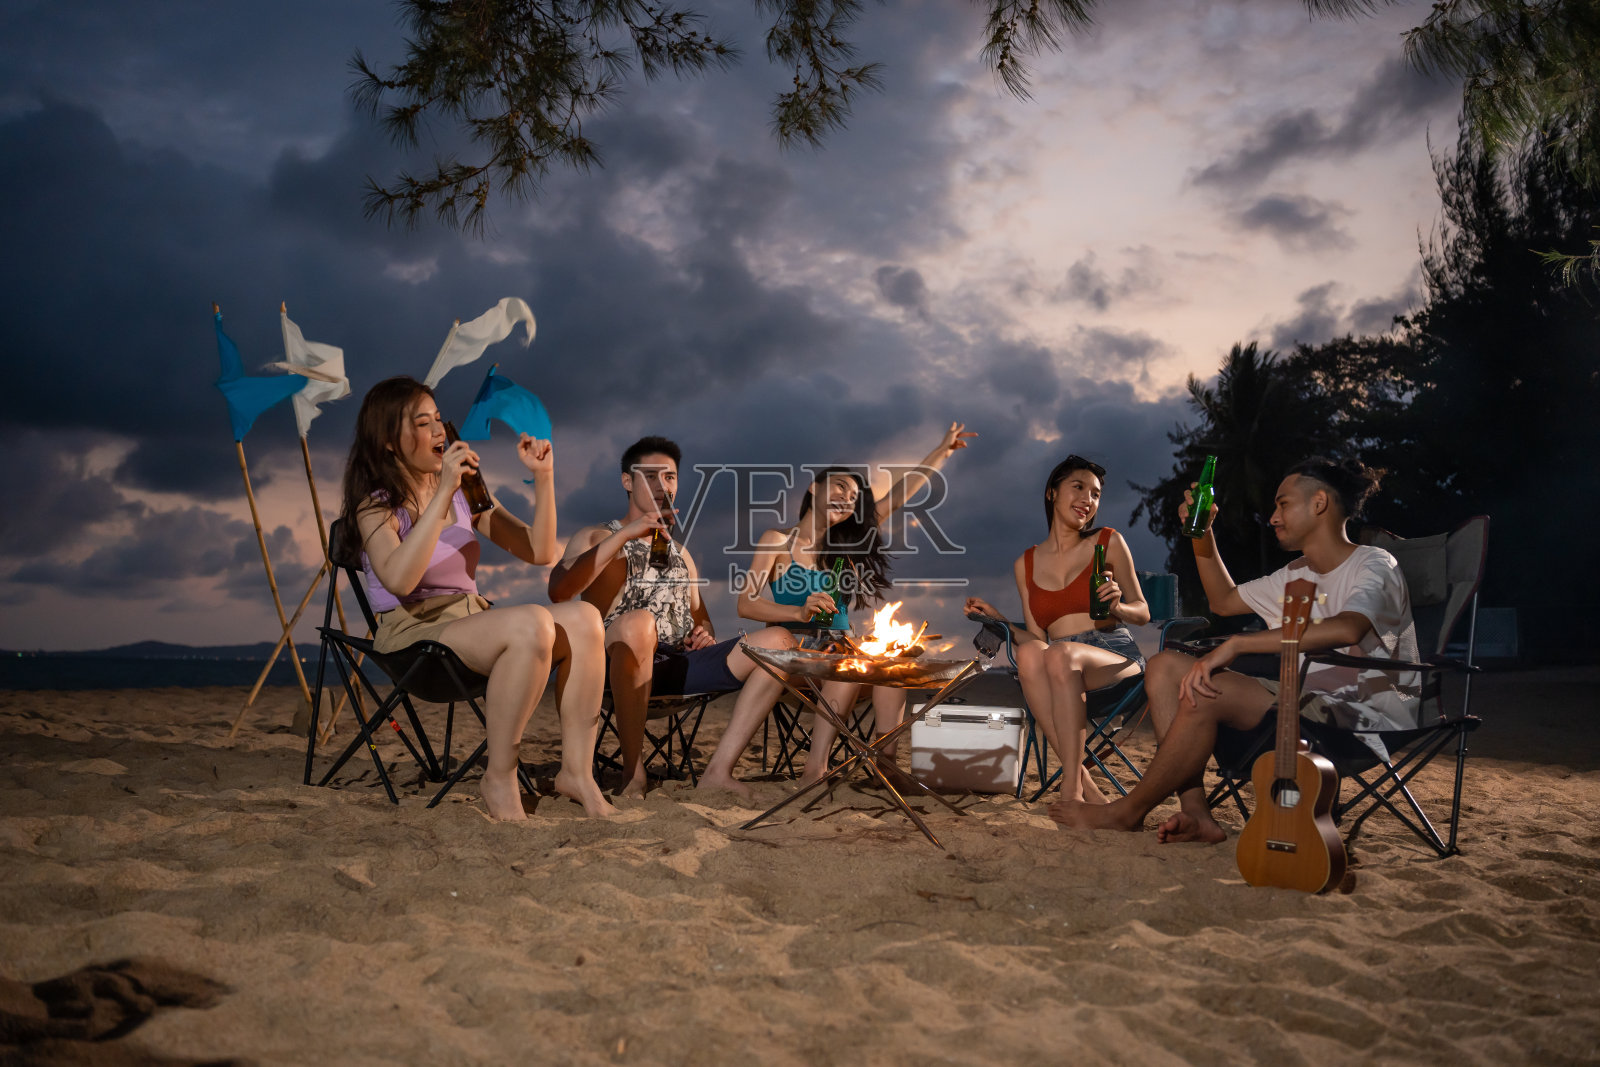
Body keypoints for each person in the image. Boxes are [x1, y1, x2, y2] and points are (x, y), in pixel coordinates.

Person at [1050, 456, 1419, 842]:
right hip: (1303, 702)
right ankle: (1195, 813)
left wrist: (1238, 643)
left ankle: (1126, 811)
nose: (1273, 517)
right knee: (1164, 667)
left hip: (1367, 715)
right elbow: (1224, 601)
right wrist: (1201, 534)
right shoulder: (1295, 573)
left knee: (1205, 690)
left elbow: (1348, 627)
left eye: (1283, 504)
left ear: (1319, 503)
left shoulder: (1374, 563)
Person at [337, 376, 614, 821]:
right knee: (532, 623)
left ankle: (578, 773)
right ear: (390, 441)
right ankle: (499, 778)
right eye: (421, 423)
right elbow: (400, 580)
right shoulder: (377, 507)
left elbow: (540, 551)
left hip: (471, 623)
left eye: (436, 420)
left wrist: (543, 479)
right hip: (415, 638)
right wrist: (442, 490)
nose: (438, 432)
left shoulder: (469, 495)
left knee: (584, 618)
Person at [548, 436, 795, 800]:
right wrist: (628, 534)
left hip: (676, 665)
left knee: (780, 643)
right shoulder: (597, 535)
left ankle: (718, 771)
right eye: (651, 476)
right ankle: (633, 772)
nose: (664, 485)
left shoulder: (681, 552)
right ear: (627, 481)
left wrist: (704, 634)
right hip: (614, 663)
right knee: (638, 624)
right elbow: (560, 590)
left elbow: (702, 618)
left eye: (671, 477)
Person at [738, 424, 976, 786]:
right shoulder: (777, 541)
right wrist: (796, 612)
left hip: (844, 651)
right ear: (814, 488)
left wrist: (942, 451)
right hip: (796, 657)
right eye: (840, 488)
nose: (848, 499)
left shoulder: (846, 545)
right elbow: (747, 604)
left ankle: (884, 765)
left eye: (854, 498)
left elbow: (898, 496)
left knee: (893, 665)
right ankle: (815, 770)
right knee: (849, 663)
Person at [964, 455, 1150, 802]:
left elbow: (1142, 612)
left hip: (1113, 657)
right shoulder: (1026, 563)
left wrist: (1118, 606)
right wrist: (999, 619)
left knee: (1059, 655)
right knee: (1034, 652)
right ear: (1052, 493)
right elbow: (1036, 637)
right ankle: (1086, 790)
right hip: (1059, 664)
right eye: (1078, 487)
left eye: (1095, 494)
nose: (1088, 500)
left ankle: (1070, 790)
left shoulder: (1108, 541)